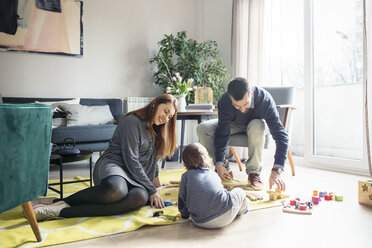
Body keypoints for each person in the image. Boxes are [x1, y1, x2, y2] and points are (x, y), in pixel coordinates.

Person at [31, 94, 178, 221]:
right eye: (165, 111)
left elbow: (152, 160)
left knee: (140, 197)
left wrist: (156, 183)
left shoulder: (157, 129)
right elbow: (131, 159)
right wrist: (152, 190)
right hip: (114, 165)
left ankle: (61, 212)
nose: (166, 118)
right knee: (117, 191)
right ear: (156, 104)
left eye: (170, 116)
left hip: (133, 175)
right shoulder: (132, 121)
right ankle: (58, 202)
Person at [196, 77, 288, 191]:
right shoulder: (225, 100)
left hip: (255, 126)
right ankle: (223, 168)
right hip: (233, 125)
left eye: (246, 104)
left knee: (257, 124)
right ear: (230, 98)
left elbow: (281, 136)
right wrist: (219, 162)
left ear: (251, 93)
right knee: (202, 128)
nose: (242, 110)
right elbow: (222, 132)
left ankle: (254, 173)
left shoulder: (264, 99)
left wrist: (277, 169)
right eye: (237, 106)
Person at [178, 143, 249, 229]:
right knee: (239, 191)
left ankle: (235, 209)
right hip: (227, 214)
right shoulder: (213, 174)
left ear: (185, 164)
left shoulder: (185, 176)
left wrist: (184, 215)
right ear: (207, 160)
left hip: (200, 221)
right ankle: (243, 210)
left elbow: (182, 199)